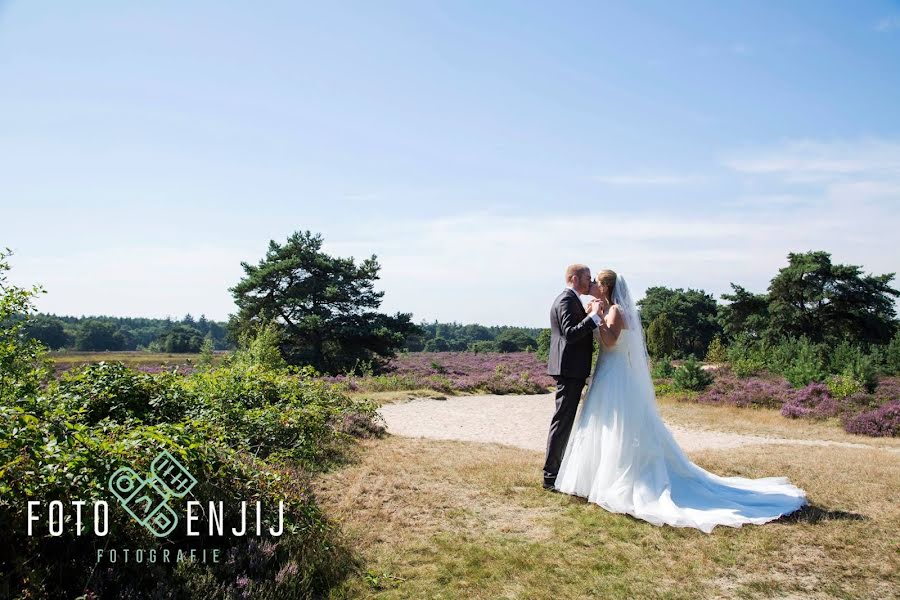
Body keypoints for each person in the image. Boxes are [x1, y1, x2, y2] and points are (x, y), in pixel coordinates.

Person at [553, 269, 808, 533]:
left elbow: (608, 342)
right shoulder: (610, 309)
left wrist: (597, 318)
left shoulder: (616, 311)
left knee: (617, 425)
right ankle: (595, 478)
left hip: (615, 374)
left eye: (596, 282)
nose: (592, 284)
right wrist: (596, 315)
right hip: (608, 373)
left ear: (605, 287)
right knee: (604, 424)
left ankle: (618, 480)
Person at [543, 264, 602, 491]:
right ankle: (551, 476)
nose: (590, 281)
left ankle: (556, 472)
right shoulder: (567, 300)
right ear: (575, 278)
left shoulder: (570, 299)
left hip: (571, 369)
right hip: (569, 370)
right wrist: (594, 317)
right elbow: (570, 333)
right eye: (588, 277)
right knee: (563, 421)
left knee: (564, 420)